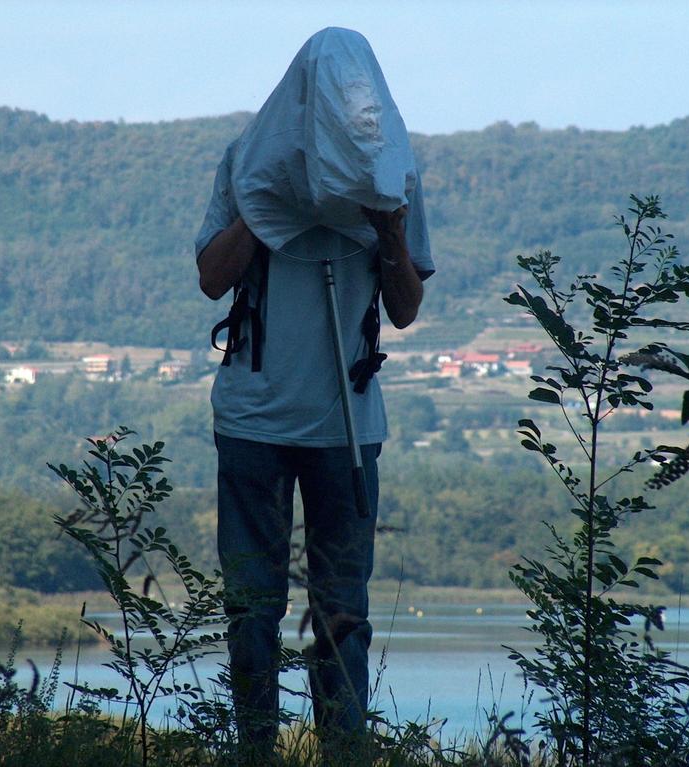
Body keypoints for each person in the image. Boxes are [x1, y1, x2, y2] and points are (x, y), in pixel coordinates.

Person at [194, 27, 434, 761]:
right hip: (255, 420)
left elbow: (404, 306)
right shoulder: (249, 161)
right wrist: (270, 213)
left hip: (347, 424)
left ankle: (344, 752)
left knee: (342, 612)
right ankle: (255, 750)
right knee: (251, 607)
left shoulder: (393, 173)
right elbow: (212, 275)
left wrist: (389, 237)